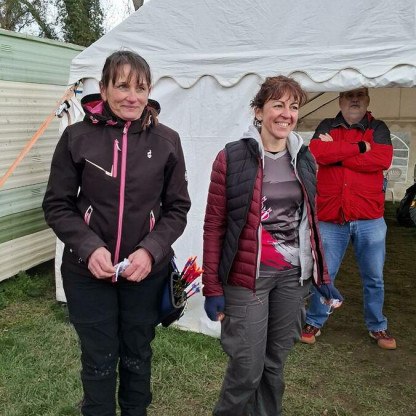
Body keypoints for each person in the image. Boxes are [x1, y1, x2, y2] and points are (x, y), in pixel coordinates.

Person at [42, 50, 191, 416]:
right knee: (99, 359)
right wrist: (89, 246)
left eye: (140, 88)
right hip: (87, 274)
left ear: (150, 91)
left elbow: (177, 208)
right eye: (122, 86)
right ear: (104, 88)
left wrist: (151, 250)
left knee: (138, 355)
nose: (132, 97)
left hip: (145, 274)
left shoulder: (167, 141)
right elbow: (57, 204)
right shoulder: (77, 137)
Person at [202, 76, 339, 416]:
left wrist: (321, 277)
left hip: (292, 279)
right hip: (247, 279)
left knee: (274, 366)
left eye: (293, 107)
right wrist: (211, 287)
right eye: (278, 105)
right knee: (246, 370)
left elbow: (311, 222)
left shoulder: (304, 158)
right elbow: (215, 225)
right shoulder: (231, 157)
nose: (286, 114)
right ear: (258, 111)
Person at [301, 87, 397, 350]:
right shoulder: (327, 124)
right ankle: (314, 321)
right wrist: (360, 148)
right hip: (332, 215)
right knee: (324, 274)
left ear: (367, 100)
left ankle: (377, 325)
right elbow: (317, 153)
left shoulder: (378, 127)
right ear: (340, 100)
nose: (354, 99)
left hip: (369, 216)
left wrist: (338, 155)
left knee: (374, 277)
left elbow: (383, 159)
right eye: (349, 95)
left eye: (360, 95)